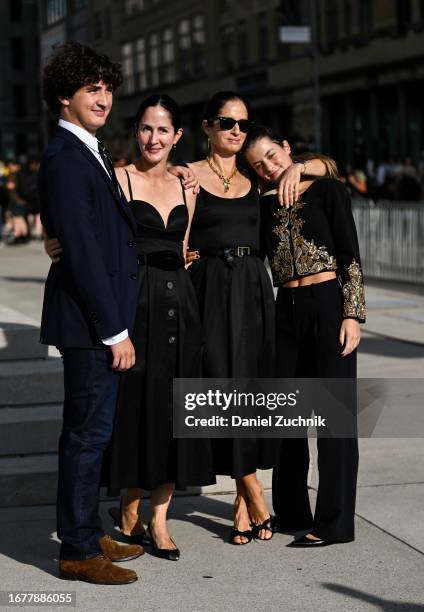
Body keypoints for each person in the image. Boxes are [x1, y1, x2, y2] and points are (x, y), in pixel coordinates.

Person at [186, 92, 329, 544]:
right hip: (208, 290)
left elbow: (329, 167)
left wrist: (296, 166)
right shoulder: (187, 175)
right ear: (207, 126)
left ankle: (241, 507)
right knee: (217, 386)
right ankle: (253, 492)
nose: (235, 130)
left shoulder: (258, 178)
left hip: (252, 291)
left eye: (243, 124)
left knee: (249, 391)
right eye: (226, 122)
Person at [39, 42, 147, 585]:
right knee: (86, 436)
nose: (103, 98)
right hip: (91, 327)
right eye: (91, 89)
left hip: (96, 321)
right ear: (65, 96)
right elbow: (80, 251)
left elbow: (72, 229)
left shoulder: (89, 150)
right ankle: (77, 551)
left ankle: (85, 528)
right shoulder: (66, 155)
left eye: (107, 88)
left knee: (91, 435)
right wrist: (116, 331)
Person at [102, 95, 215, 561]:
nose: (154, 138)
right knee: (135, 411)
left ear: (177, 136)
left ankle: (159, 520)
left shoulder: (189, 184)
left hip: (180, 307)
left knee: (174, 414)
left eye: (163, 130)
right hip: (135, 304)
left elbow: (184, 248)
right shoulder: (120, 179)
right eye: (147, 129)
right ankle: (128, 507)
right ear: (137, 132)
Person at [244, 126, 365, 547]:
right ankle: (293, 512)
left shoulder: (327, 191)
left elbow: (350, 254)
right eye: (259, 163)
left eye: (273, 155)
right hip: (285, 312)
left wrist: (352, 314)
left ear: (287, 150)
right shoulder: (260, 205)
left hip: (328, 302)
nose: (269, 166)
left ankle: (334, 524)